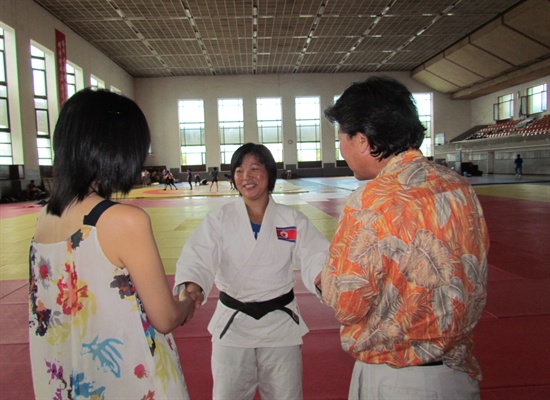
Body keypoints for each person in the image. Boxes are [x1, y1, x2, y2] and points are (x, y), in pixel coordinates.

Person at [321, 76, 489, 400]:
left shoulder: (372, 201)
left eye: (341, 136)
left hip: (397, 379)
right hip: (455, 374)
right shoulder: (459, 188)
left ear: (362, 139)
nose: (340, 147)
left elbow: (348, 302)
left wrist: (324, 281)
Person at [28, 88, 195, 399]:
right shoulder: (122, 220)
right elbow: (165, 317)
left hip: (70, 384)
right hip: (131, 383)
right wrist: (187, 302)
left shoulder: (44, 220)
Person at [174, 143, 329, 400]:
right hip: (233, 324)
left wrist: (325, 279)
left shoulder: (291, 219)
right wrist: (192, 287)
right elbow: (198, 256)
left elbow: (314, 254)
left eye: (254, 169)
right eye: (239, 170)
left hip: (280, 325)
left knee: (286, 395)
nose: (246, 176)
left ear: (269, 173)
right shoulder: (219, 219)